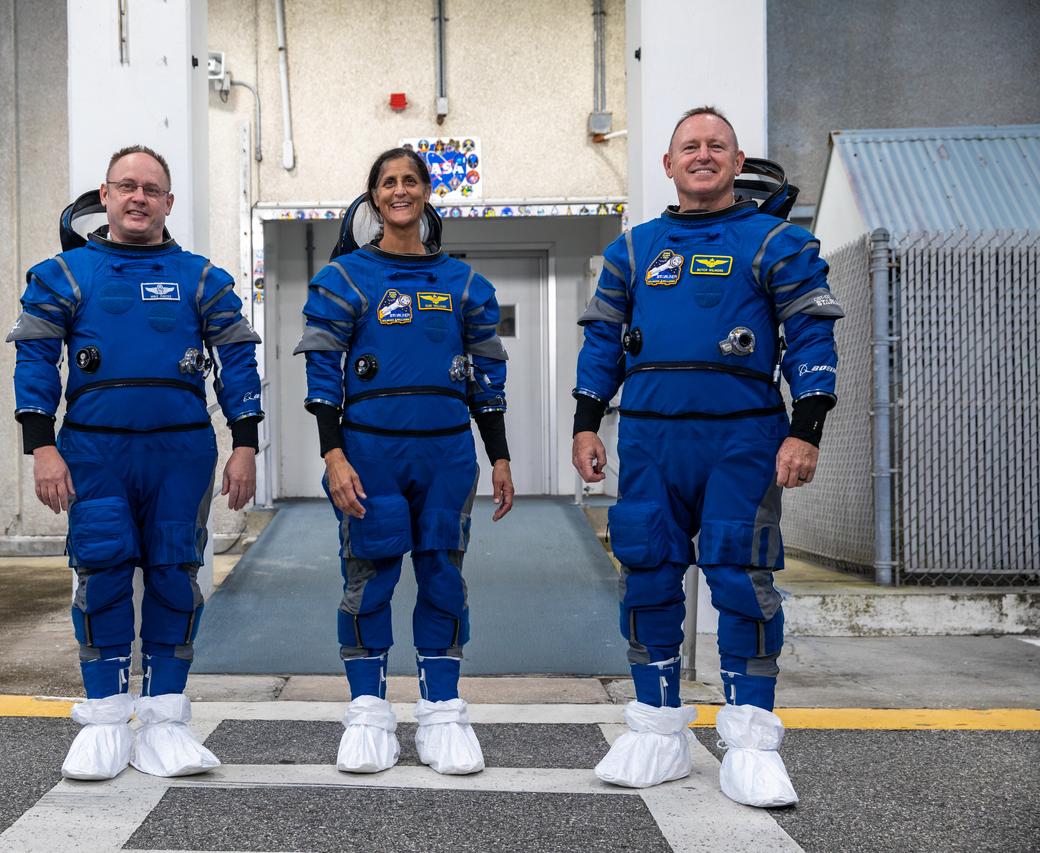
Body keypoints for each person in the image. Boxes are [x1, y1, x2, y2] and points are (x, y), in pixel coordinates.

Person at [572, 107, 844, 807]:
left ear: (736, 159)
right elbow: (602, 344)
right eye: (688, 145)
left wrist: (805, 427)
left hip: (743, 440)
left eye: (714, 145)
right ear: (667, 164)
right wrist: (586, 424)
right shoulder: (632, 251)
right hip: (651, 440)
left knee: (742, 578)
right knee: (649, 575)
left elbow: (812, 340)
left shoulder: (777, 243)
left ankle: (751, 741)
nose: (702, 154)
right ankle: (657, 728)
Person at [7, 144, 263, 780]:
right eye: (127, 186)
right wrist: (41, 446)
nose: (139, 197)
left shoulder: (203, 279)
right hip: (93, 450)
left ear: (169, 202)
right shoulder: (64, 275)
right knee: (103, 569)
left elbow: (237, 362)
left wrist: (246, 444)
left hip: (181, 451)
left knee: (176, 574)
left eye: (152, 188)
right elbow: (35, 360)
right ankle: (103, 721)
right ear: (106, 195)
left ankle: (166, 722)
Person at [294, 148, 515, 775]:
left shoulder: (466, 285)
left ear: (425, 193)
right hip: (368, 452)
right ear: (372, 197)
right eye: (388, 182)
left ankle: (441, 711)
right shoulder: (343, 280)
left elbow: (487, 380)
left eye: (410, 181)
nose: (400, 191)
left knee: (443, 577)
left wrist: (498, 456)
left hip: (447, 453)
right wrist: (332, 454)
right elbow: (320, 378)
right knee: (368, 581)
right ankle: (367, 711)